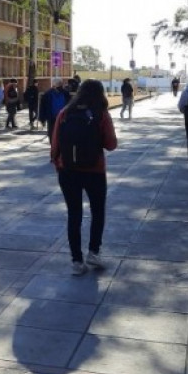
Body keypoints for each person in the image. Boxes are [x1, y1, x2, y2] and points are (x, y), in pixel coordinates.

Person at [51, 79, 118, 275]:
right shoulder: (101, 114)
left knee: (74, 214)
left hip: (68, 171)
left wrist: (59, 165)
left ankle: (76, 261)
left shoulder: (65, 113)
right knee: (97, 212)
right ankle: (94, 252)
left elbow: (55, 145)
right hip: (94, 171)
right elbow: (111, 144)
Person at [39, 79, 71, 144]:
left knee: (58, 135)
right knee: (54, 134)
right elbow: (43, 107)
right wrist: (42, 119)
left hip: (60, 118)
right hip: (55, 118)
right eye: (59, 85)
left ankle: (57, 148)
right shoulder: (48, 94)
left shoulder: (65, 93)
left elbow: (70, 105)